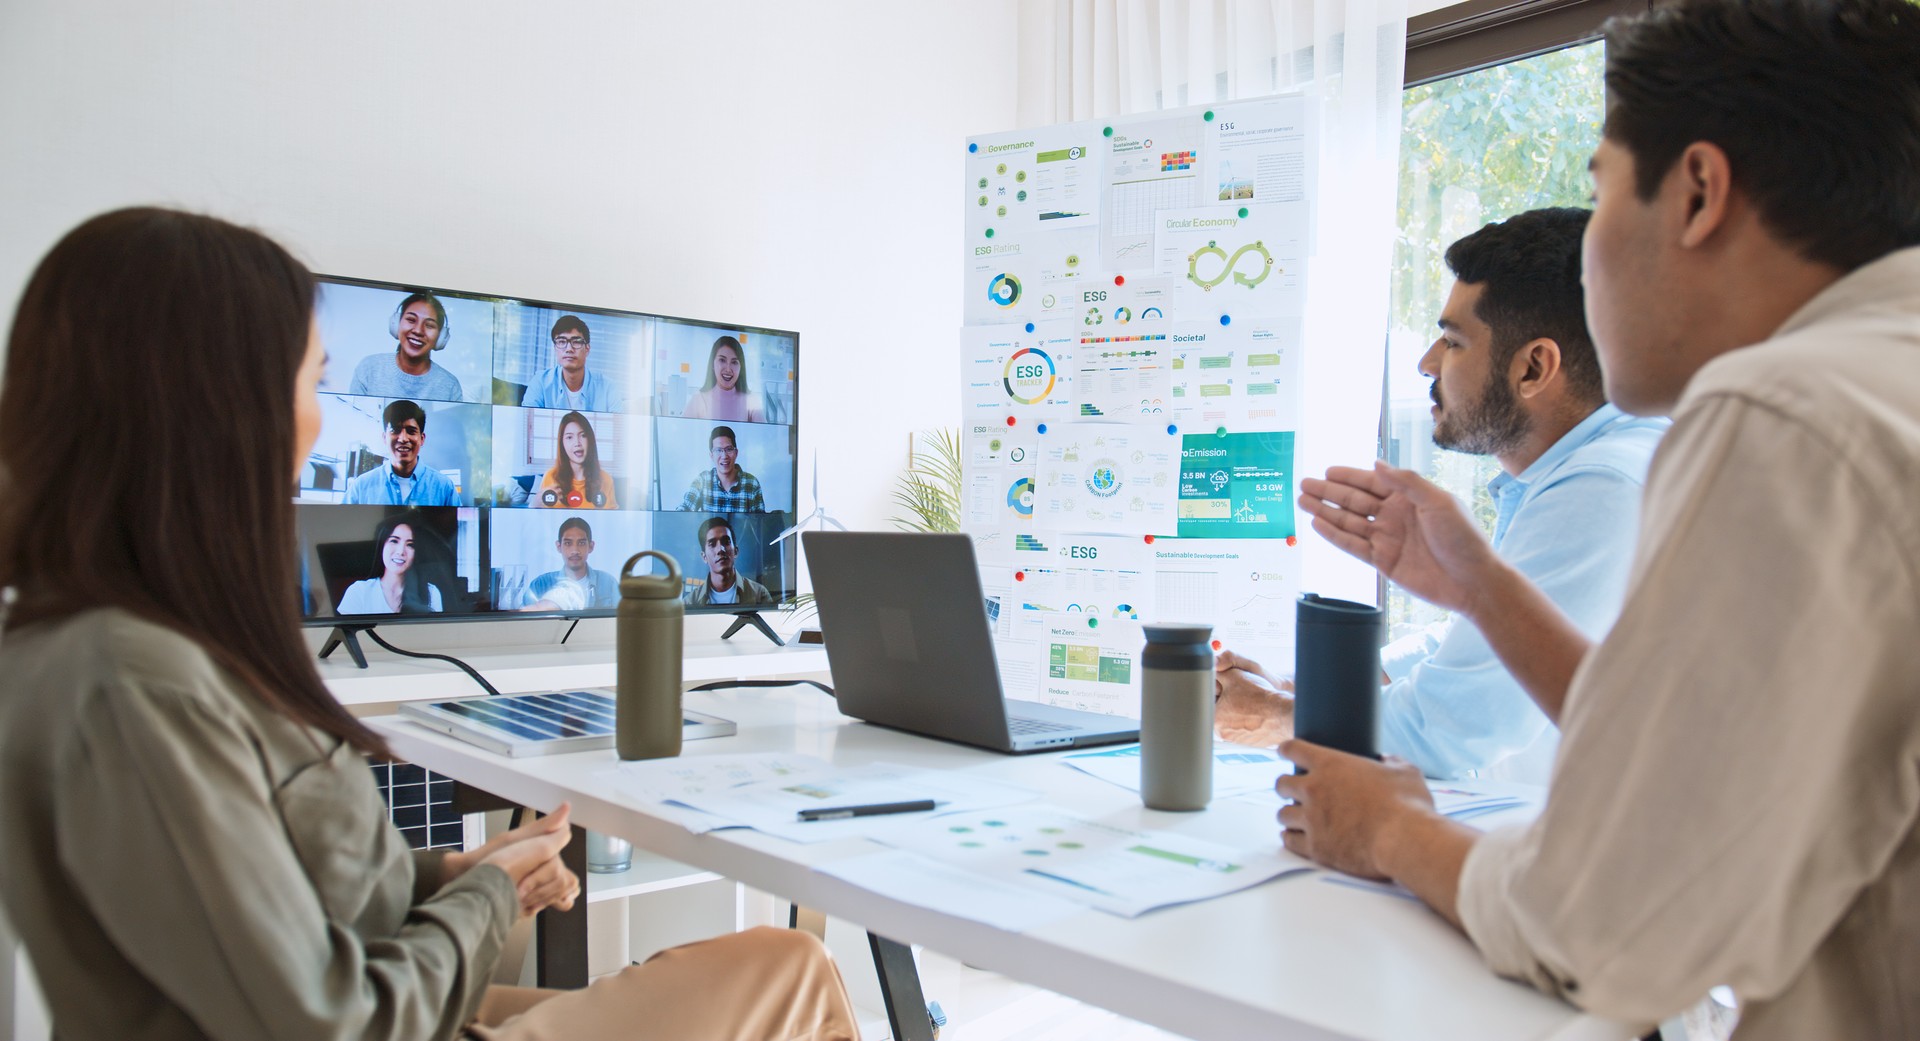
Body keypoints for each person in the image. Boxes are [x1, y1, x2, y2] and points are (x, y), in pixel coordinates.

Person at [0, 207, 859, 1041]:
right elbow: (326, 1017)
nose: (313, 420)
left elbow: (278, 890)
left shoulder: (113, 644)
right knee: (788, 965)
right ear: (221, 408)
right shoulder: (133, 681)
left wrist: (457, 871)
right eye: (310, 379)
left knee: (779, 968)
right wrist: (487, 901)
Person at [1280, 2, 1920, 1037]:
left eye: (1602, 193)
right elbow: (1708, 757)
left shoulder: (1785, 414)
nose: (1591, 256)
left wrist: (1387, 833)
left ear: (1699, 193)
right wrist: (1480, 584)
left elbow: (1601, 921)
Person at [1213, 208, 1666, 780]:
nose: (1427, 362)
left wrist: (1280, 717)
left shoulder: (1601, 487)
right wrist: (1298, 689)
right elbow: (1476, 647)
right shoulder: (1586, 471)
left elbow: (1450, 729)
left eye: (1452, 341)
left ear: (1533, 367)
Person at [349, 290, 467, 402]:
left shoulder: (450, 386)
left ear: (440, 337)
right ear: (396, 324)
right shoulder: (369, 368)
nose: (418, 331)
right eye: (411, 320)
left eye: (429, 325)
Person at [343, 398, 464, 506]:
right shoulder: (361, 486)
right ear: (384, 438)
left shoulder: (444, 488)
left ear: (422, 439)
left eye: (411, 431)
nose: (403, 439)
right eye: (395, 430)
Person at [337, 512, 446, 614]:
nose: (400, 551)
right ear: (381, 546)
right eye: (394, 541)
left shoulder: (431, 593)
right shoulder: (359, 591)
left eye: (410, 545)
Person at [521, 315, 625, 412]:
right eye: (562, 342)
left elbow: (618, 429)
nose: (569, 349)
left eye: (576, 342)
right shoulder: (540, 382)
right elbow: (527, 424)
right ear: (555, 348)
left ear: (587, 349)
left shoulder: (608, 388)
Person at [520, 516, 619, 612]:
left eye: (581, 543)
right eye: (568, 543)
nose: (575, 550)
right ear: (559, 546)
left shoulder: (609, 583)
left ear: (591, 546)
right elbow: (522, 623)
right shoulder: (540, 584)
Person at [536, 410, 619, 509]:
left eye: (583, 436)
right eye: (569, 437)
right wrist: (535, 503)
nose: (577, 443)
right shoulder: (550, 476)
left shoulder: (606, 479)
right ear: (562, 443)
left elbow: (613, 520)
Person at [686, 516, 771, 606]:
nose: (720, 549)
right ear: (704, 557)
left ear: (736, 551)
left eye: (726, 541)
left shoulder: (760, 594)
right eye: (712, 544)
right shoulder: (689, 602)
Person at [680, 425, 766, 513]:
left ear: (736, 453)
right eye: (718, 450)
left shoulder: (752, 483)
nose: (724, 456)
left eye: (729, 449)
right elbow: (683, 512)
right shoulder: (703, 481)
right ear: (711, 456)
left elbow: (760, 522)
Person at [682, 335, 764, 423]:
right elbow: (682, 433)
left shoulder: (751, 401)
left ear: (741, 367)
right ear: (712, 364)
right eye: (722, 360)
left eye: (734, 362)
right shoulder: (699, 400)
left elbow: (765, 434)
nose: (728, 369)